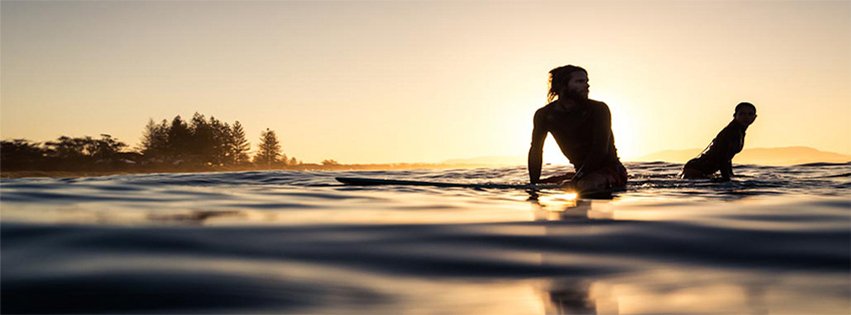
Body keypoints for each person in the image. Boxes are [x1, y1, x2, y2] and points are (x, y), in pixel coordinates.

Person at [528, 65, 627, 195]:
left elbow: (599, 149)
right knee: (539, 187)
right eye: (580, 81)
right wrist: (533, 186)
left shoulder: (598, 109)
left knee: (583, 186)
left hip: (610, 170)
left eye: (587, 81)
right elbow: (536, 150)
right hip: (581, 172)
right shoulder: (544, 115)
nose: (587, 86)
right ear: (562, 85)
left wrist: (577, 179)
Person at [681, 102, 757, 181]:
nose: (746, 117)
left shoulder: (739, 131)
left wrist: (731, 174)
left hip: (700, 169)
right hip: (696, 169)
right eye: (742, 114)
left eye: (750, 114)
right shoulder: (731, 132)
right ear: (735, 116)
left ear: (754, 117)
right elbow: (722, 157)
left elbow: (728, 156)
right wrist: (726, 180)